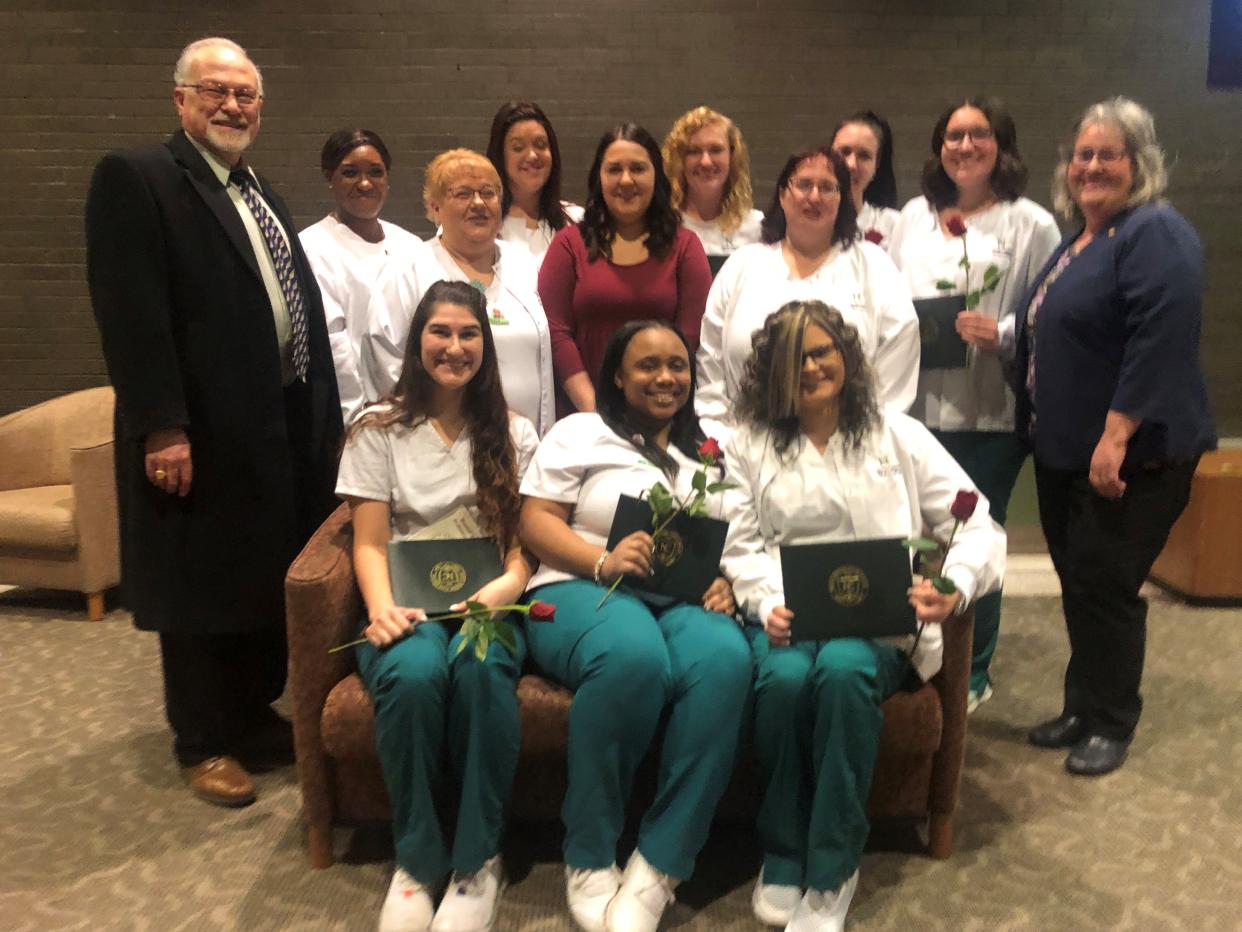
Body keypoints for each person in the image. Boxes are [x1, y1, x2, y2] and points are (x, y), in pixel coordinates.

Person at [84, 37, 342, 807]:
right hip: (197, 430)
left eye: (246, 94)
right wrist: (164, 424)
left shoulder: (254, 187)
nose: (233, 104)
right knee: (198, 581)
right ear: (181, 100)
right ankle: (201, 741)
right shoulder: (139, 179)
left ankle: (249, 714)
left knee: (259, 575)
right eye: (215, 90)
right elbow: (132, 315)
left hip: (274, 421)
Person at [720, 300, 1005, 931]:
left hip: (874, 628)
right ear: (772, 370)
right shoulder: (747, 446)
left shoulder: (896, 434)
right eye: (796, 356)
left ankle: (831, 870)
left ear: (847, 357)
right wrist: (768, 602)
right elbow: (740, 547)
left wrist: (953, 584)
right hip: (788, 621)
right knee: (787, 680)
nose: (813, 365)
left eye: (824, 350)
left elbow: (975, 522)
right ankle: (784, 850)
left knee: (846, 671)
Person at [518, 320, 751, 932]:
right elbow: (536, 521)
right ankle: (590, 855)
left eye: (677, 365)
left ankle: (660, 865)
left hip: (682, 600)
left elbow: (739, 534)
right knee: (632, 658)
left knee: (726, 661)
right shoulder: (581, 432)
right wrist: (600, 561)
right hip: (582, 586)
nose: (666, 377)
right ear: (617, 376)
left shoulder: (712, 450)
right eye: (648, 365)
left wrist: (727, 579)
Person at [1015, 97, 1216, 777]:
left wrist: (1116, 434)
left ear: (1140, 164)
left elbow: (1160, 339)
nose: (1091, 167)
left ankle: (1112, 721)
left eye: (1109, 155)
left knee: (1106, 583)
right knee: (1080, 583)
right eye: (1082, 155)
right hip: (1065, 450)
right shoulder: (1082, 240)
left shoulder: (1152, 232)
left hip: (1134, 455)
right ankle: (1081, 704)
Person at [338, 280, 539, 932]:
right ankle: (418, 861)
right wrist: (382, 608)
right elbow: (368, 542)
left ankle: (477, 860)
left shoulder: (512, 432)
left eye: (468, 334)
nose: (454, 347)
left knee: (481, 672)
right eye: (440, 332)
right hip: (408, 605)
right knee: (415, 675)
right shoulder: (377, 429)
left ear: (487, 344)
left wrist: (511, 583)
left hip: (488, 604)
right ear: (417, 340)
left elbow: (522, 546)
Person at [887, 97, 1061, 712]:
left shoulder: (1030, 223)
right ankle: (916, 651)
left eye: (978, 135)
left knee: (976, 537)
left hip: (991, 412)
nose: (964, 146)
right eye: (953, 135)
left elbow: (1055, 315)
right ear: (939, 147)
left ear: (1000, 145)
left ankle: (973, 668)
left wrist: (1004, 332)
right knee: (917, 540)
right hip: (914, 413)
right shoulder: (912, 216)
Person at [696, 145, 919, 444]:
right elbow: (711, 363)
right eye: (803, 185)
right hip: (744, 450)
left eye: (827, 187)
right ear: (783, 194)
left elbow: (898, 364)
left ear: (843, 200)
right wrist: (726, 443)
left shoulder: (875, 267)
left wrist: (862, 446)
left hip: (849, 452)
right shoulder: (743, 265)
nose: (814, 196)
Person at [363, 148, 555, 435]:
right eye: (463, 194)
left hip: (527, 444)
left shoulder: (526, 265)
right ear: (435, 207)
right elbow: (385, 366)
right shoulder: (407, 270)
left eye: (488, 193)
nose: (478, 203)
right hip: (438, 443)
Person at [539, 123, 712, 418]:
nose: (626, 180)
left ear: (656, 175)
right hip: (584, 417)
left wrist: (655, 409)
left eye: (638, 168)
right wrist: (595, 411)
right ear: (599, 177)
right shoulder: (569, 245)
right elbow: (556, 334)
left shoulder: (685, 247)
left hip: (662, 414)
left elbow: (689, 336)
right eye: (614, 169)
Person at [300, 128, 421, 425]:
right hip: (349, 415)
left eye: (376, 172)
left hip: (415, 409)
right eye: (350, 172)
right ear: (330, 178)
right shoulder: (311, 247)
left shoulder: (411, 246)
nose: (365, 183)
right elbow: (333, 346)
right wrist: (355, 419)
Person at [484, 100, 584, 262]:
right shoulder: (480, 223)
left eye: (540, 145)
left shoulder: (578, 221)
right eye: (518, 147)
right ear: (500, 156)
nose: (532, 156)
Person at [662, 106, 763, 258]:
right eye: (694, 151)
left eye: (716, 150)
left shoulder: (756, 227)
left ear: (732, 157)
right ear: (679, 161)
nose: (706, 162)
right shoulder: (662, 226)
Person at [831, 110, 900, 248]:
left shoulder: (895, 225)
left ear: (876, 166)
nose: (851, 165)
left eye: (864, 156)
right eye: (844, 152)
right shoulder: (807, 221)